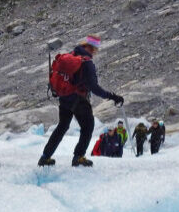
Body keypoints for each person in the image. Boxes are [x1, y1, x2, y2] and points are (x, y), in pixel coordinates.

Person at [38, 35, 124, 168]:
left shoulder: (71, 55)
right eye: (95, 49)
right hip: (78, 98)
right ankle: (79, 157)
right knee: (88, 125)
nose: (95, 52)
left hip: (64, 97)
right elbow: (94, 87)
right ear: (91, 48)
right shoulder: (86, 62)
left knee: (62, 126)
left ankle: (45, 157)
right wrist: (112, 96)